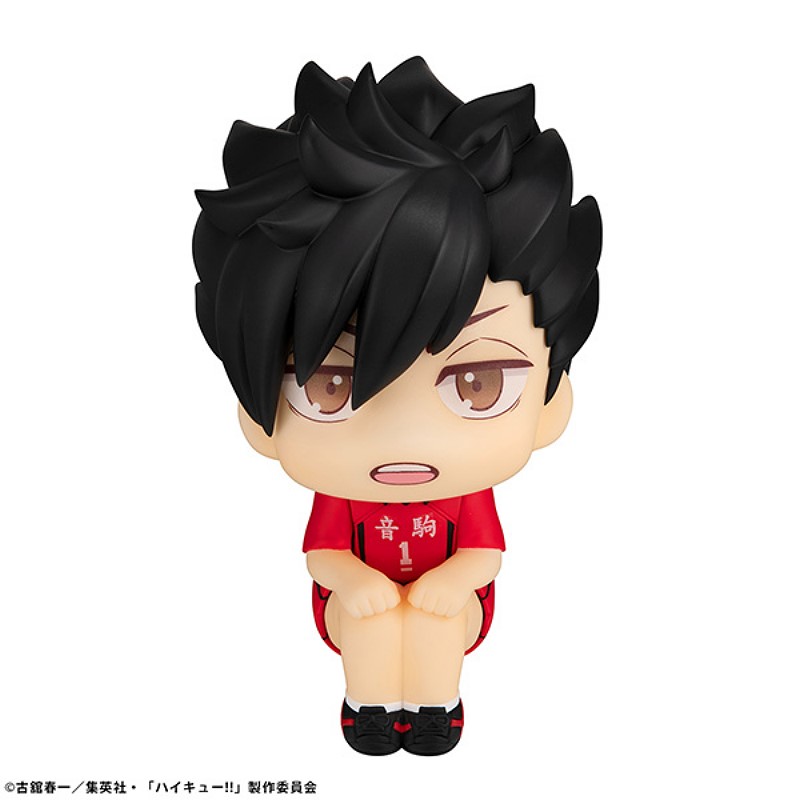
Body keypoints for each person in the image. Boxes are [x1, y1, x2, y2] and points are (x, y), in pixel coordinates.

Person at [193, 56, 601, 756]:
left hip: (455, 603)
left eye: (477, 385)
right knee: (376, 625)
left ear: (549, 404)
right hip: (351, 607)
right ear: (258, 421)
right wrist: (354, 582)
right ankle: (371, 707)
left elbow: (483, 555)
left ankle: (437, 707)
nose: (406, 436)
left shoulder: (464, 494)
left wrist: (452, 581)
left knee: (434, 624)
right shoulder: (343, 496)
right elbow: (324, 555)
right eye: (330, 387)